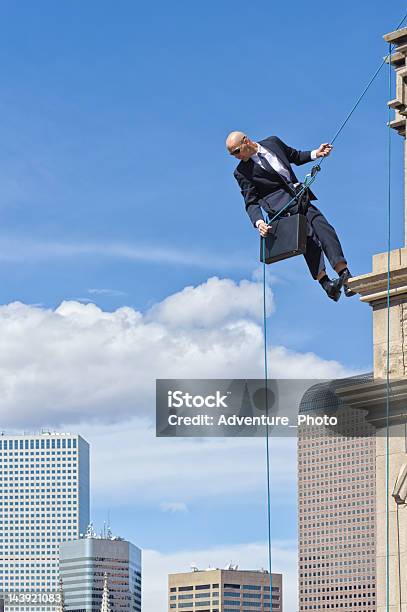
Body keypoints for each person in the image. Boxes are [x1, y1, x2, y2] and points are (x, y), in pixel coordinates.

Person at [226, 131, 355, 301]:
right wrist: (259, 222)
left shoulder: (272, 142)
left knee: (324, 229)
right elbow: (251, 202)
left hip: (300, 196)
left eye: (236, 151)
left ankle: (345, 275)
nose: (236, 156)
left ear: (246, 141)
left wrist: (316, 153)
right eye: (232, 154)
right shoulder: (241, 172)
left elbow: (294, 156)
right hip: (282, 208)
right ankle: (326, 283)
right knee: (308, 240)